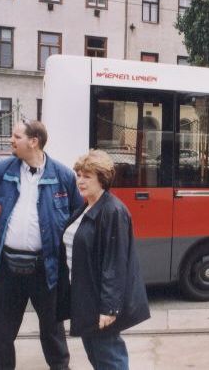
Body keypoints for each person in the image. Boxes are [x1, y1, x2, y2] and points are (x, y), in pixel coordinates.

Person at [0, 120, 82, 370]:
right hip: (4, 268)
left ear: (33, 141)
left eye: (16, 136)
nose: (11, 140)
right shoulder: (0, 172)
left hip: (46, 269)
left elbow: (76, 215)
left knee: (53, 332)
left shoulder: (63, 176)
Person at [57, 149, 150, 369]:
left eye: (87, 176)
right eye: (79, 175)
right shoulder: (86, 207)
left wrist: (109, 308)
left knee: (109, 357)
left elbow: (115, 264)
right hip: (86, 296)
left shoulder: (113, 211)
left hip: (100, 301)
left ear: (103, 179)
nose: (80, 181)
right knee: (97, 356)